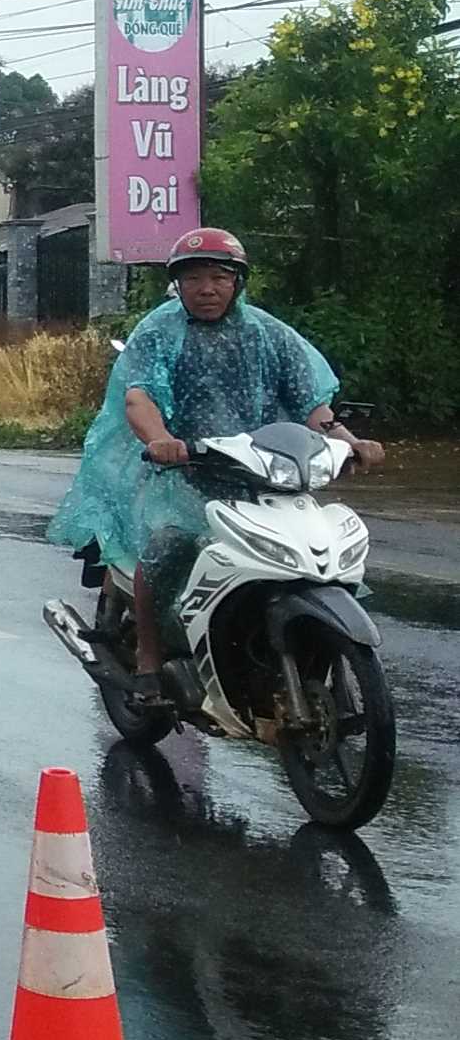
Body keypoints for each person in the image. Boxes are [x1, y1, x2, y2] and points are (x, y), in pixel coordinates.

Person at [46, 226, 384, 702]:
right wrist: (162, 440)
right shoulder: (160, 331)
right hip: (183, 471)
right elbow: (139, 397)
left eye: (219, 277)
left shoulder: (268, 333)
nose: (207, 289)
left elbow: (311, 401)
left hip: (261, 470)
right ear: (177, 285)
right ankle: (148, 659)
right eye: (195, 278)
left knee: (318, 549)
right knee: (167, 546)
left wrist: (349, 440)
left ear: (238, 282)